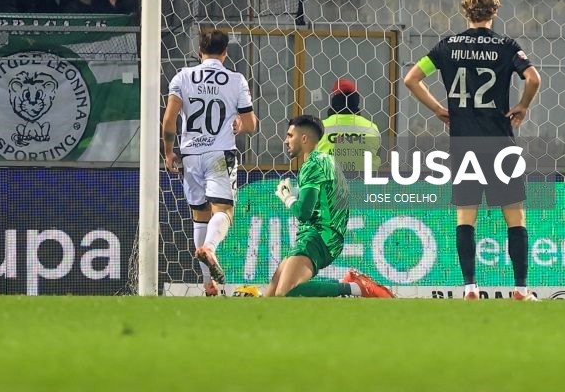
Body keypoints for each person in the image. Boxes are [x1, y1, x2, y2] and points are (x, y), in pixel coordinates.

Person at [404, 0, 542, 301]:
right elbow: (534, 78)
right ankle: (521, 289)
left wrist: (438, 109)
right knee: (515, 217)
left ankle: (470, 288)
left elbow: (412, 78)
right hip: (500, 142)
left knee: (466, 217)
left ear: (465, 12)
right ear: (495, 11)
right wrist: (523, 106)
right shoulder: (506, 47)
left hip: (464, 142)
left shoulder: (446, 47)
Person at [162, 29, 258, 296]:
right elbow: (251, 124)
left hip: (191, 155)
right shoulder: (235, 80)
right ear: (225, 53)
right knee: (224, 211)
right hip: (219, 154)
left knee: (200, 216)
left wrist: (169, 152)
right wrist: (239, 123)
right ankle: (210, 248)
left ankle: (208, 283)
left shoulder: (182, 77)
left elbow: (169, 119)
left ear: (199, 52)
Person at [266, 114, 394, 298]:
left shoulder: (312, 165)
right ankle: (348, 283)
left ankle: (357, 288)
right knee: (270, 296)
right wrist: (298, 194)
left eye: (290, 135)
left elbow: (303, 213)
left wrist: (288, 198)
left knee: (286, 292)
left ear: (304, 138)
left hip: (318, 235)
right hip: (327, 234)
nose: (286, 141)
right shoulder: (326, 160)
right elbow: (327, 199)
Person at [317, 78, 382, 174]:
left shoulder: (319, 128)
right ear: (356, 100)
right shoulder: (372, 128)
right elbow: (377, 155)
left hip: (329, 180)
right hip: (364, 182)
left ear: (334, 99)